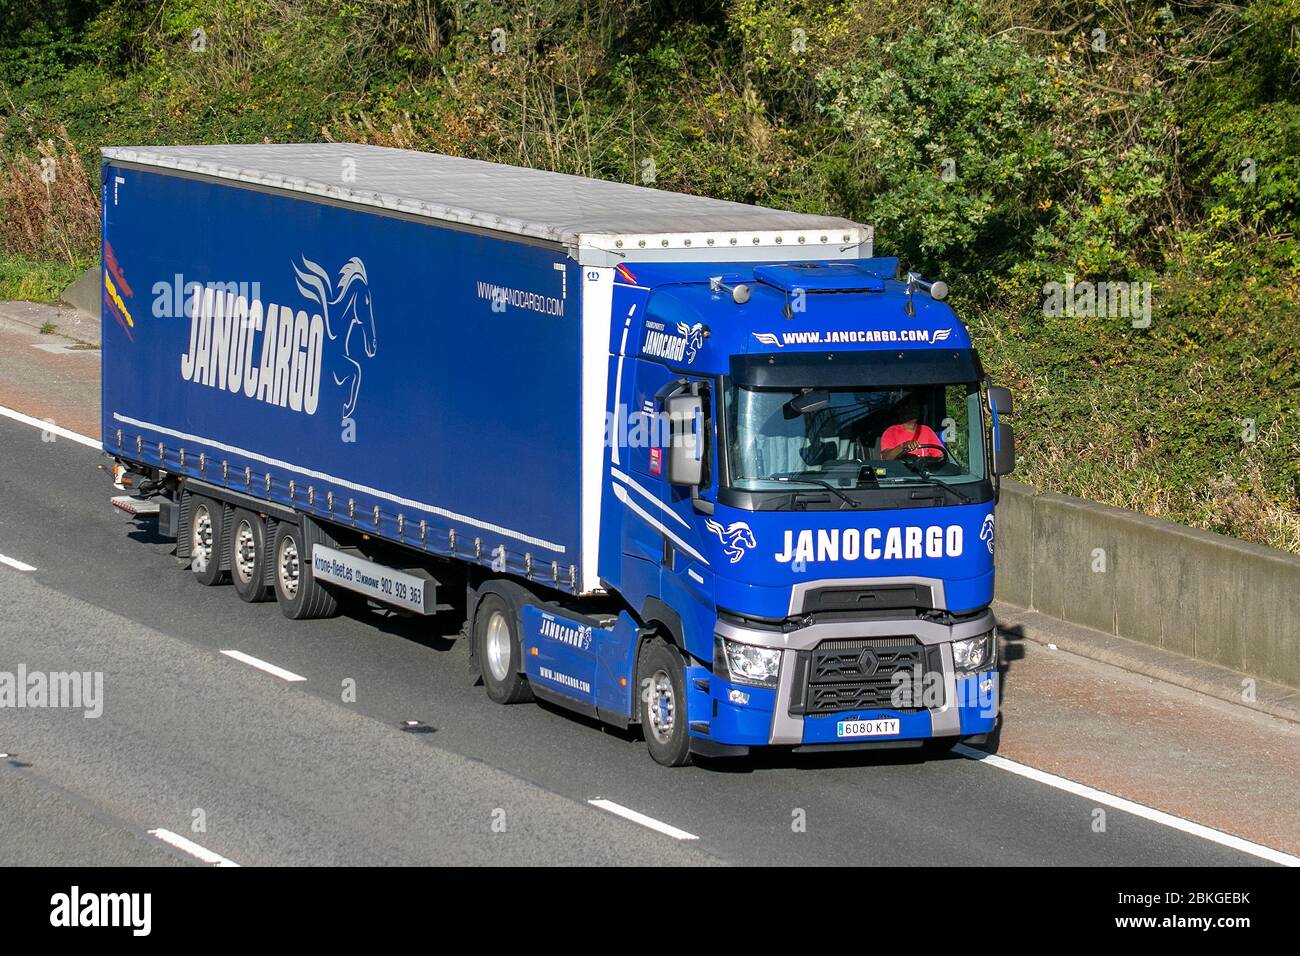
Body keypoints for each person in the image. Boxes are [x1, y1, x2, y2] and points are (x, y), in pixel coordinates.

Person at [879, 394, 943, 460]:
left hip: (924, 469)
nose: (913, 410)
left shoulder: (927, 430)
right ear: (901, 411)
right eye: (909, 407)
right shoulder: (891, 432)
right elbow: (886, 458)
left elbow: (940, 456)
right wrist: (903, 446)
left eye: (915, 407)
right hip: (899, 470)